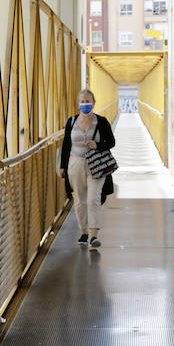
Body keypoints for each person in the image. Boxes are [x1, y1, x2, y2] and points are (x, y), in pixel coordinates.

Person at [58, 88, 116, 247]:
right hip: (75, 164)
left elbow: (111, 142)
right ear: (78, 104)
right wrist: (63, 166)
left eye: (88, 101)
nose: (85, 104)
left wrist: (97, 145)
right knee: (79, 200)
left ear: (94, 103)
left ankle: (93, 236)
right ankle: (83, 232)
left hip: (96, 164)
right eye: (82, 101)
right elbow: (66, 145)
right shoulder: (71, 121)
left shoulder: (102, 121)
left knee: (93, 199)